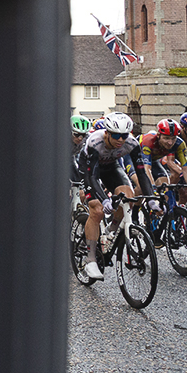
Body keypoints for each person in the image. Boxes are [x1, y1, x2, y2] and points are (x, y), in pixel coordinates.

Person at [76, 111, 156, 281]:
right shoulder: (95, 142)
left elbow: (141, 174)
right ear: (107, 133)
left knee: (128, 197)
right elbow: (92, 177)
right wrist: (104, 199)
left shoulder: (131, 143)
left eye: (124, 135)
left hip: (111, 168)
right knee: (97, 210)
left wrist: (151, 199)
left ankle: (111, 229)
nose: (121, 140)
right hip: (89, 170)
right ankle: (90, 259)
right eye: (116, 135)